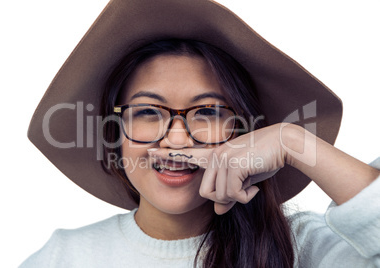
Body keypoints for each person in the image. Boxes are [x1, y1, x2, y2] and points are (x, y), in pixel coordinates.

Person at [20, 0, 380, 267]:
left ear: (245, 130)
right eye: (147, 112)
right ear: (115, 132)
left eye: (208, 111)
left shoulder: (306, 248)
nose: (177, 141)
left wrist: (294, 142)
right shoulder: (63, 257)